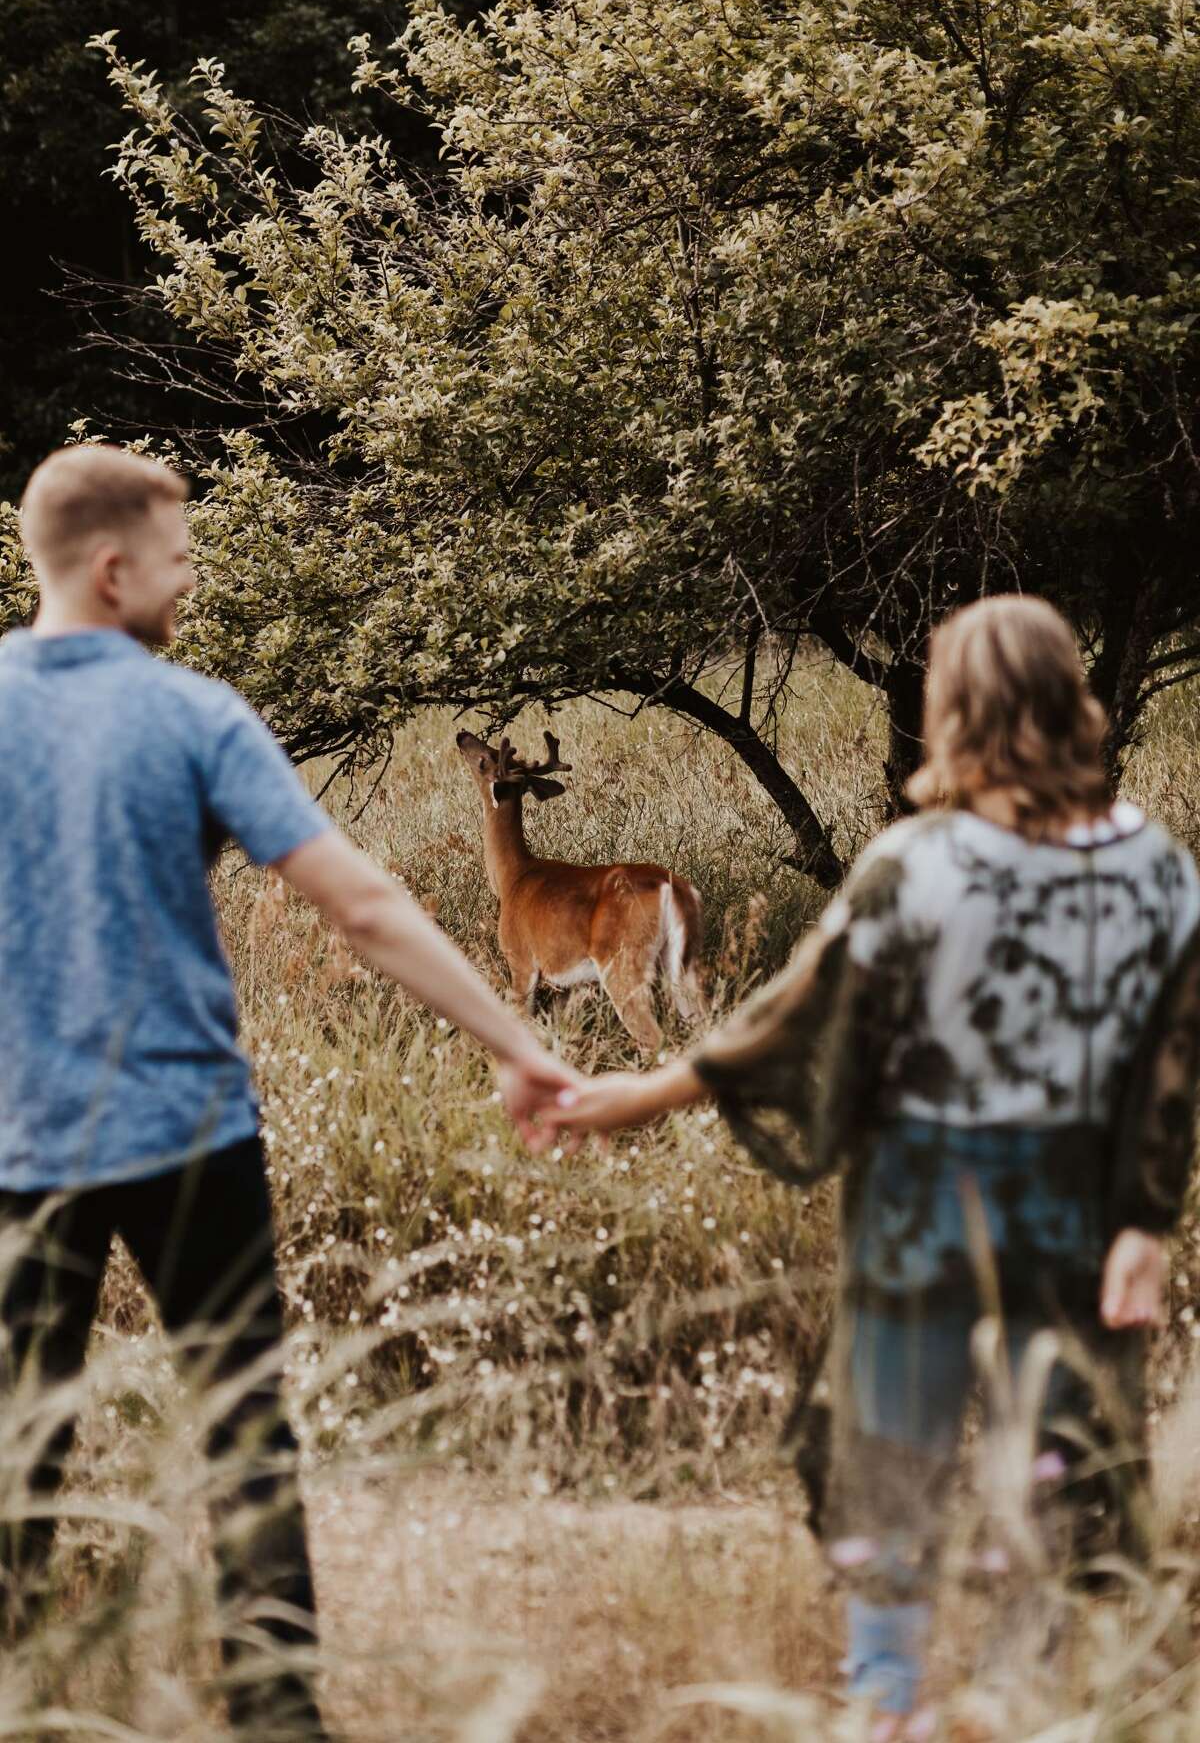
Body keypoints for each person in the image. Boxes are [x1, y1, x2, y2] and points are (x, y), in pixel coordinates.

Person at [0, 444, 579, 1737]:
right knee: (243, 1430)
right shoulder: (191, 713)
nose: (190, 582)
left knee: (18, 1438)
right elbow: (363, 903)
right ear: (111, 569)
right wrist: (516, 1042)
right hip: (189, 1135)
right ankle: (275, 1718)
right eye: (180, 557)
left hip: (18, 1142)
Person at [547, 595, 1200, 1739]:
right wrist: (1145, 1224)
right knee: (1049, 1457)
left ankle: (886, 1707)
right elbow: (1171, 1067)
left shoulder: (917, 862)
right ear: (1069, 699)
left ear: (956, 708)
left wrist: (632, 1096)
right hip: (1075, 1208)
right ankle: (1024, 1704)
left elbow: (794, 1023)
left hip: (922, 1204)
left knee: (893, 1448)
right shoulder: (1156, 868)